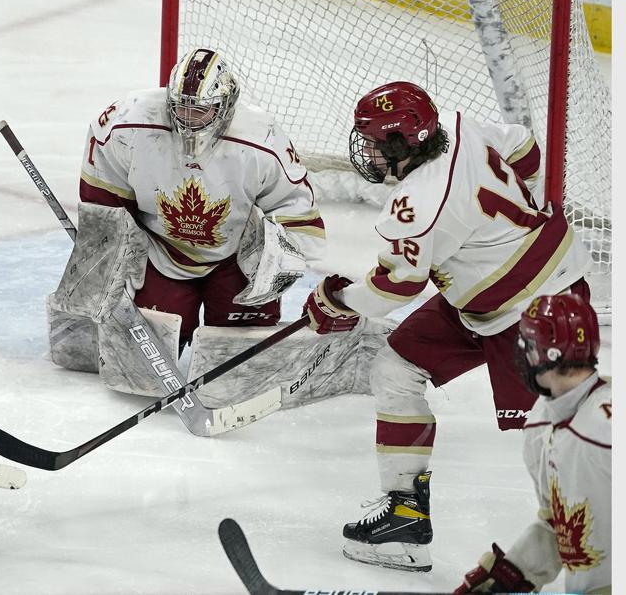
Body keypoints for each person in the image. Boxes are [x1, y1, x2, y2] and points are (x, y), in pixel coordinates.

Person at [303, 81, 592, 572]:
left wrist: (336, 301)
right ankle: (405, 520)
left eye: (375, 143)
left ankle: (603, 535)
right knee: (396, 369)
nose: (367, 153)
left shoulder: (416, 204)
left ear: (403, 143)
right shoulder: (460, 127)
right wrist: (512, 220)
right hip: (482, 300)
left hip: (539, 311)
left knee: (560, 435)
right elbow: (525, 147)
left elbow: (395, 289)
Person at [77, 47, 325, 348]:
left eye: (200, 110)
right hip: (159, 251)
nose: (188, 120)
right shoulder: (128, 123)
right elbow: (103, 197)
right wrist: (112, 254)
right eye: (181, 108)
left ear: (226, 106)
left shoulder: (262, 141)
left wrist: (277, 262)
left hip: (236, 256)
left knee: (240, 350)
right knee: (149, 344)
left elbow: (296, 211)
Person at [454, 293, 609, 594]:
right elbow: (561, 523)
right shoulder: (542, 422)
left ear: (542, 354)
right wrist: (515, 572)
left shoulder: (605, 433)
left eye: (526, 345)